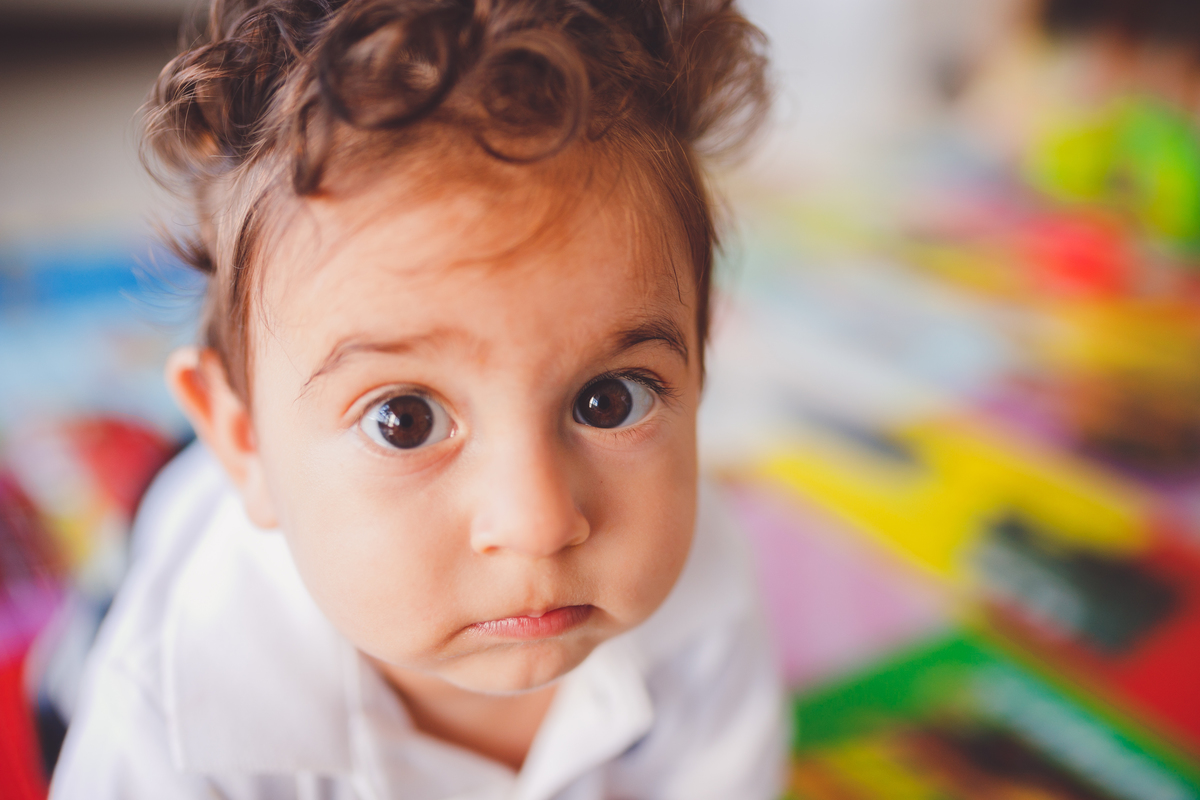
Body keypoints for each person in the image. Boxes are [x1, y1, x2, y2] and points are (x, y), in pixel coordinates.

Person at [48, 1, 787, 798]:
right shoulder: (168, 707)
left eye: (608, 401)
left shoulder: (707, 592)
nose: (537, 523)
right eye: (406, 420)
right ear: (244, 442)